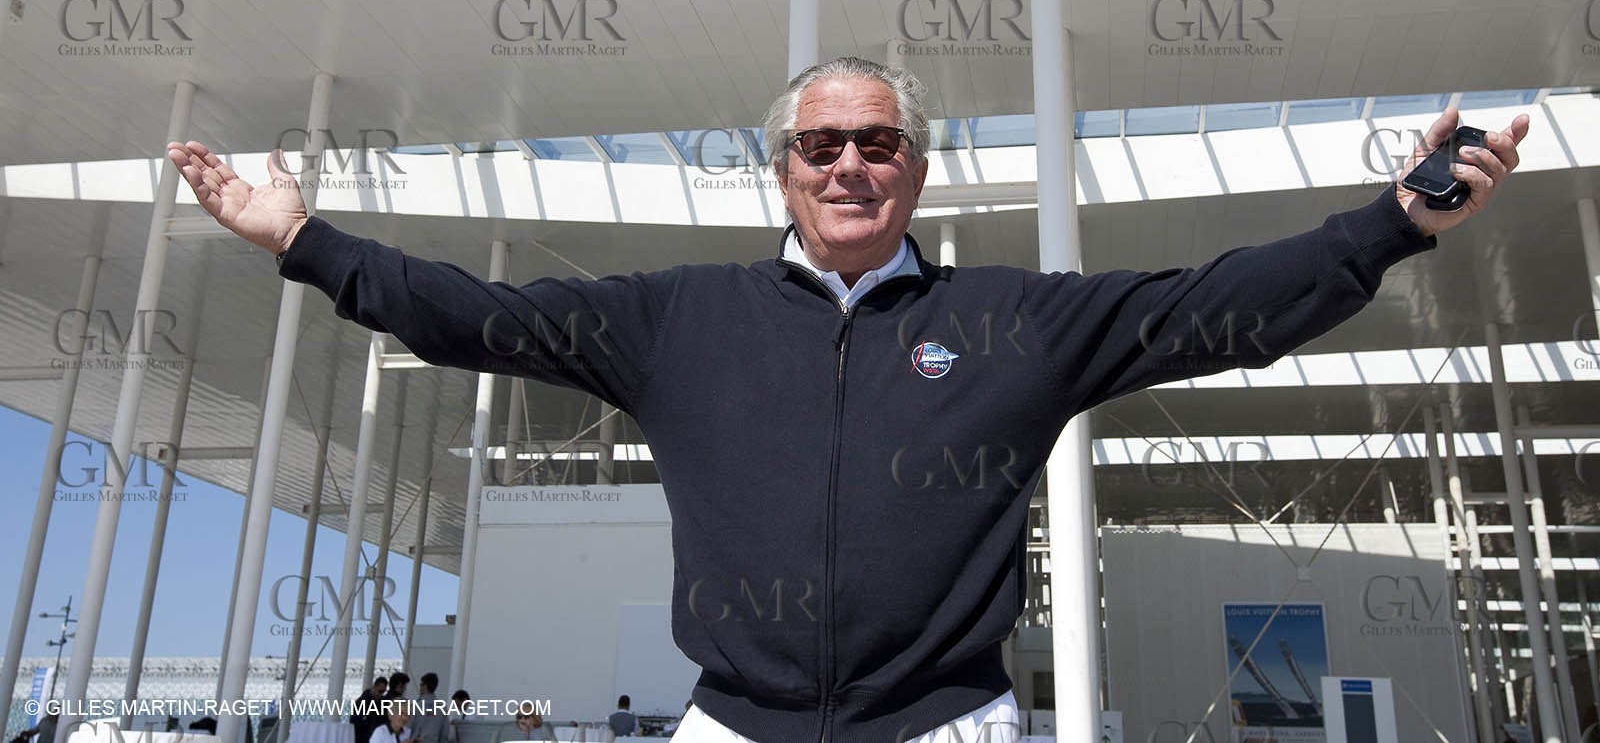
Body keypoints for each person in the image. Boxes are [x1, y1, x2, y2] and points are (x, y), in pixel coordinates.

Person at [167, 57, 1528, 743]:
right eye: (820, 144)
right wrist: (306, 241)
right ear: (783, 170)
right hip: (730, 718)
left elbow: (1220, 305)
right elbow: (476, 316)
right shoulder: (675, 319)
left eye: (878, 142)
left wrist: (1398, 221)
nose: (848, 165)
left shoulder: (1016, 321)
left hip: (949, 721)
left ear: (916, 169)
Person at [408, 672, 450, 743]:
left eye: (421, 685)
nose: (420, 687)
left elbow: (408, 728)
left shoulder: (415, 706)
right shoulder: (443, 707)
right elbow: (445, 732)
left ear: (425, 686)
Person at [351, 675, 390, 743]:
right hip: (362, 737)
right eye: (380, 691)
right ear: (374, 687)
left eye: (383, 692)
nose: (381, 694)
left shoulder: (383, 702)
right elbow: (355, 721)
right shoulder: (361, 702)